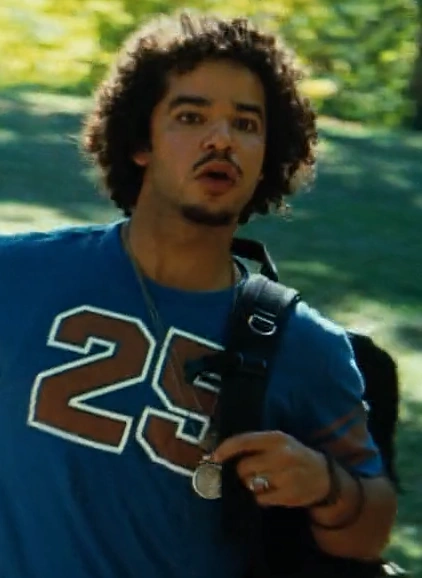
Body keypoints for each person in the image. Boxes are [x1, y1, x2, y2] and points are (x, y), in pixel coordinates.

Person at [0, 11, 397, 578]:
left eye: (246, 124)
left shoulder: (308, 348)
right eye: (191, 116)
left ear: (267, 155)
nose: (221, 140)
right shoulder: (16, 275)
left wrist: (326, 484)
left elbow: (371, 533)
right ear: (141, 141)